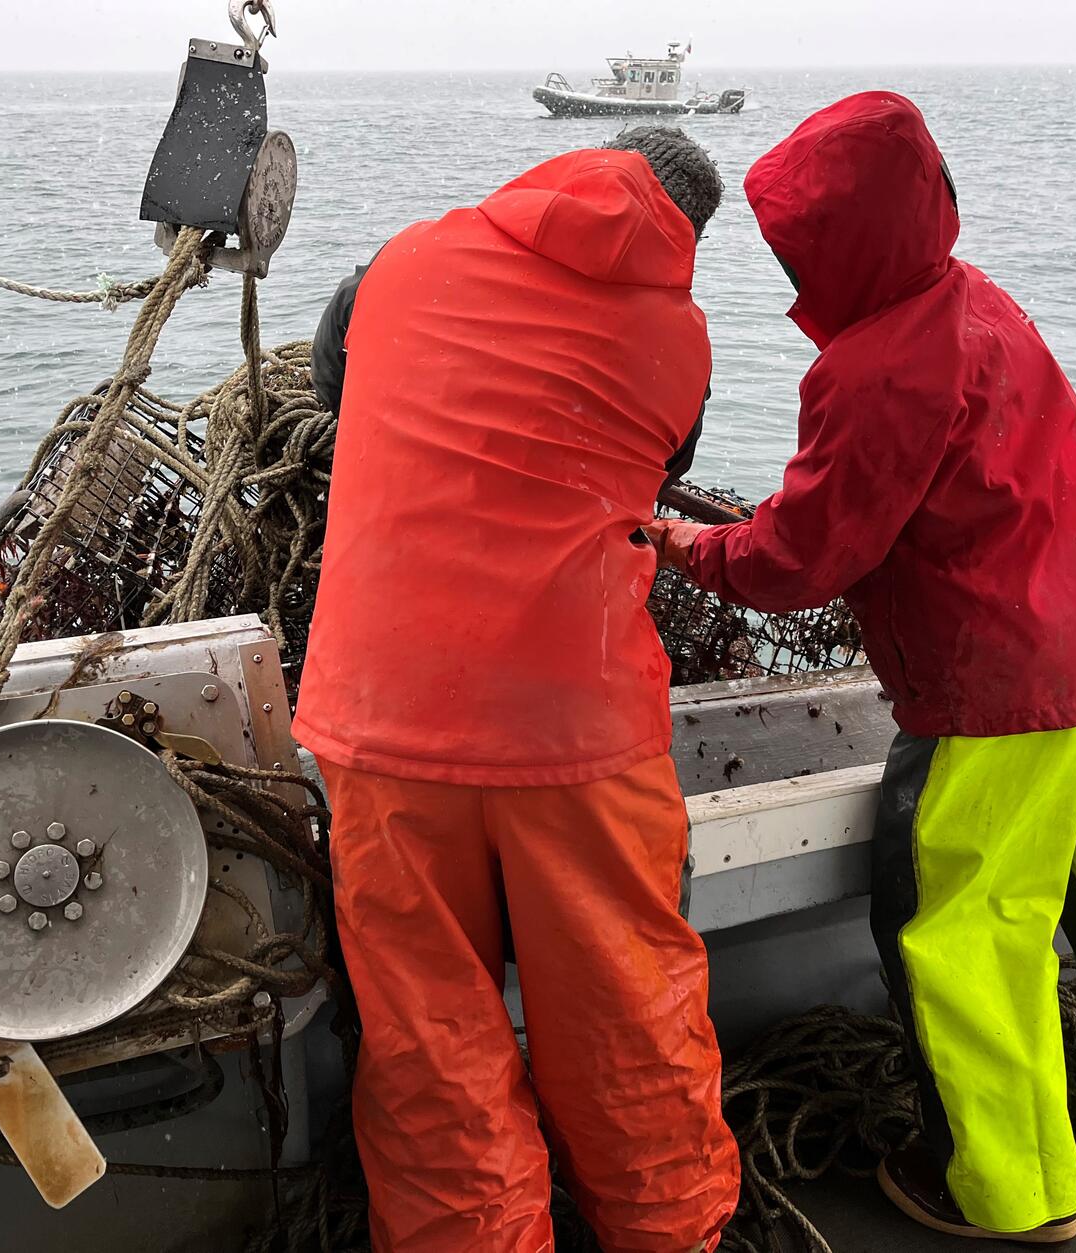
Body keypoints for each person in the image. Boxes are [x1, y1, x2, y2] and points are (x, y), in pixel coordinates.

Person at [645, 92, 1076, 1242]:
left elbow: (807, 552)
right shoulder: (983, 302)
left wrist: (694, 545)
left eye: (796, 243)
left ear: (837, 243)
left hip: (994, 690)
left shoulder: (869, 369)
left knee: (963, 932)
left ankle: (1007, 1195)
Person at [293, 127, 740, 1252]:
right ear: (686, 232)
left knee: (427, 1033)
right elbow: (661, 468)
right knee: (626, 1012)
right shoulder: (677, 335)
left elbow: (330, 385)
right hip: (575, 730)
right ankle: (672, 1233)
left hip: (380, 716)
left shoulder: (396, 262)